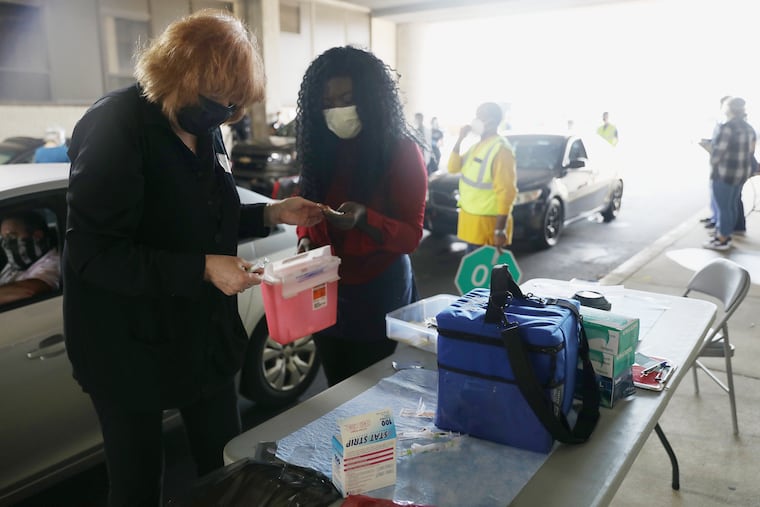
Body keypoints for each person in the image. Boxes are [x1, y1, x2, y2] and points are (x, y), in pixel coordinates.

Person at [62, 10, 324, 506]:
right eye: (220, 102)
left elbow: (205, 215)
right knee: (138, 483)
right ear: (177, 75)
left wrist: (271, 214)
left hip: (200, 332)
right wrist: (202, 267)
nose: (228, 115)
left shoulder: (204, 128)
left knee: (228, 462)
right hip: (127, 340)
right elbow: (93, 254)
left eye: (234, 106)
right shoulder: (116, 124)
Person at [294, 46, 427, 387]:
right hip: (326, 284)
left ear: (370, 98)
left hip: (378, 287)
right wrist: (305, 237)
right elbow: (305, 206)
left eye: (346, 98)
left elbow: (411, 236)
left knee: (374, 391)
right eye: (327, 103)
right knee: (338, 385)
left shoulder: (401, 152)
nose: (337, 110)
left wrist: (366, 218)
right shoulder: (319, 149)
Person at [448, 102, 518, 253]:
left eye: (480, 117)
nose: (475, 120)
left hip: (488, 227)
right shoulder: (477, 147)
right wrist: (460, 139)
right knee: (474, 274)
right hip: (472, 224)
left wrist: (499, 230)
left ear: (492, 122)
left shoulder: (501, 149)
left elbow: (506, 192)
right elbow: (453, 168)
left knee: (486, 275)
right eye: (476, 116)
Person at [704, 97, 756, 250]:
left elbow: (717, 155)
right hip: (741, 173)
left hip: (724, 173)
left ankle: (722, 239)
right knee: (732, 205)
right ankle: (727, 234)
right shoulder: (748, 128)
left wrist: (709, 148)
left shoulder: (727, 127)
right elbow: (751, 152)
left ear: (729, 109)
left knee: (723, 208)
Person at [0, 210, 60, 304]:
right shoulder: (17, 263)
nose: (5, 244)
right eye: (3, 238)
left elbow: (28, 291)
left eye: (11, 237)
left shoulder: (54, 262)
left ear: (37, 235)